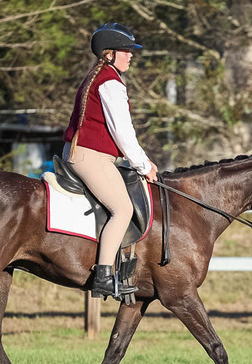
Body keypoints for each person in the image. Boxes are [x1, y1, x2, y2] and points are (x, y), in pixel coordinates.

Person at [62, 23, 158, 300]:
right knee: (122, 209)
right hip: (90, 156)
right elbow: (123, 133)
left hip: (87, 152)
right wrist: (144, 165)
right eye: (126, 51)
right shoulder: (110, 82)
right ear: (109, 54)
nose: (131, 55)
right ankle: (103, 276)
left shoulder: (98, 76)